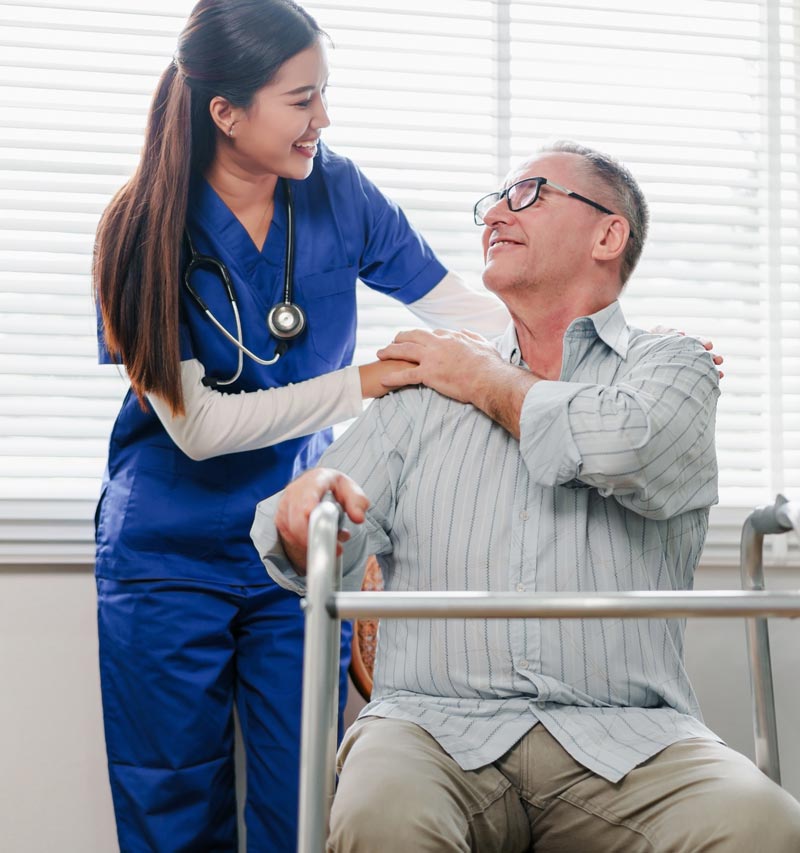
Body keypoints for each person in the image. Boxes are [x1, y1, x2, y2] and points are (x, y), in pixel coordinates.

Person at [251, 141, 800, 852]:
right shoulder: (424, 384)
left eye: (531, 192)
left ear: (609, 234)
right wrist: (306, 515)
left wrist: (482, 377)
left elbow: (628, 446)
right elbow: (324, 540)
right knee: (379, 818)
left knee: (764, 824)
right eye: (494, 202)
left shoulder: (671, 365)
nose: (496, 216)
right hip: (431, 730)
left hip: (631, 738)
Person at [91, 1, 510, 850]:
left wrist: (604, 341)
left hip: (295, 545)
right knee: (169, 806)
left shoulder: (338, 192)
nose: (323, 118)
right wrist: (364, 380)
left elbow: (472, 311)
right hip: (166, 553)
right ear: (227, 112)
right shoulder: (141, 228)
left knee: (304, 802)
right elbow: (200, 428)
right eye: (302, 99)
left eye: (324, 93)